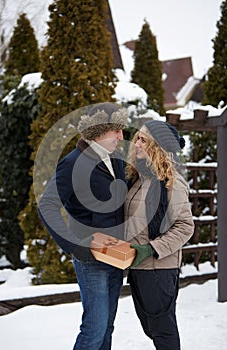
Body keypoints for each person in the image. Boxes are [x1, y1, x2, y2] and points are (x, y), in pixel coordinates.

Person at [38, 102, 128, 350]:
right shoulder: (73, 163)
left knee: (107, 327)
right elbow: (47, 205)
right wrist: (74, 244)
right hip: (90, 260)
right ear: (98, 130)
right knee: (94, 330)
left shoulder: (117, 159)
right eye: (116, 130)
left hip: (115, 256)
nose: (122, 136)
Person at [124, 120, 194, 350]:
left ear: (156, 146)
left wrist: (151, 248)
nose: (137, 143)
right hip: (138, 267)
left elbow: (185, 226)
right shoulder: (138, 180)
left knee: (163, 331)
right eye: (137, 138)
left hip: (158, 267)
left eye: (143, 140)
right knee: (150, 327)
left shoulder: (172, 184)